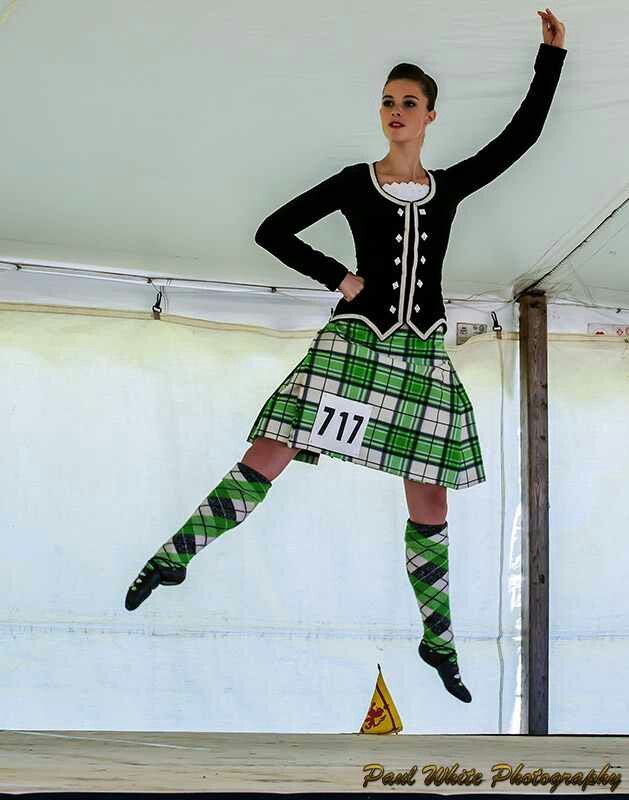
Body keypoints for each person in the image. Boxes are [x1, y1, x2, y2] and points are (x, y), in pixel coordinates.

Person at [124, 9, 567, 705]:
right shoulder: (354, 181)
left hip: (420, 353)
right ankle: (174, 556)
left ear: (430, 116)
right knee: (271, 449)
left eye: (409, 102)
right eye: (388, 101)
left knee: (429, 495)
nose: (396, 111)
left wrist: (550, 60)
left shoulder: (448, 187)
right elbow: (273, 230)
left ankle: (437, 638)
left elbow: (521, 138)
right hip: (356, 344)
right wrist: (338, 277)